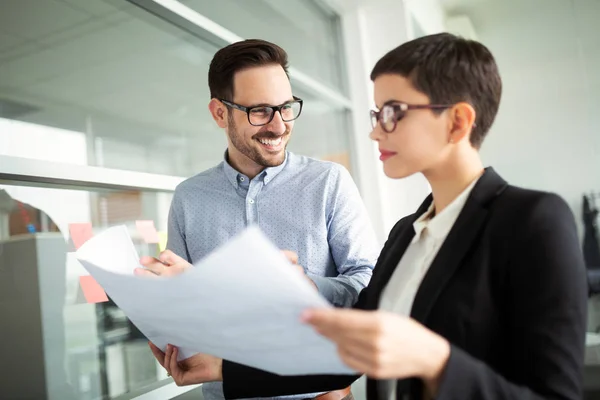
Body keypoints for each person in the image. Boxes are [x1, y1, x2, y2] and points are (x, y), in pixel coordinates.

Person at [144, 33, 588, 400]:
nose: (375, 129)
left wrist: (434, 360)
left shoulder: (533, 220)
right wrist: (222, 366)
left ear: (456, 123)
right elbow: (344, 358)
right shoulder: (405, 235)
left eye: (392, 112)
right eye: (377, 113)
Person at [136, 39, 379, 400]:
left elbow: (368, 283)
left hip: (318, 395)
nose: (279, 126)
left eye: (286, 107)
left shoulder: (329, 182)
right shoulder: (189, 197)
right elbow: (181, 307)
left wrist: (306, 287)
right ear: (220, 113)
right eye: (261, 111)